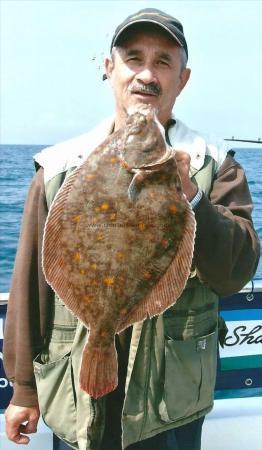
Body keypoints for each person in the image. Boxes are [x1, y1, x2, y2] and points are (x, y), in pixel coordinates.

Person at [3, 7, 260, 450]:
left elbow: (235, 271)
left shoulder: (212, 164)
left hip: (168, 402)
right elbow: (31, 284)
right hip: (77, 398)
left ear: (183, 79)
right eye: (133, 58)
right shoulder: (61, 166)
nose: (147, 73)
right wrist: (24, 388)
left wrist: (192, 198)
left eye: (164, 61)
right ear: (110, 68)